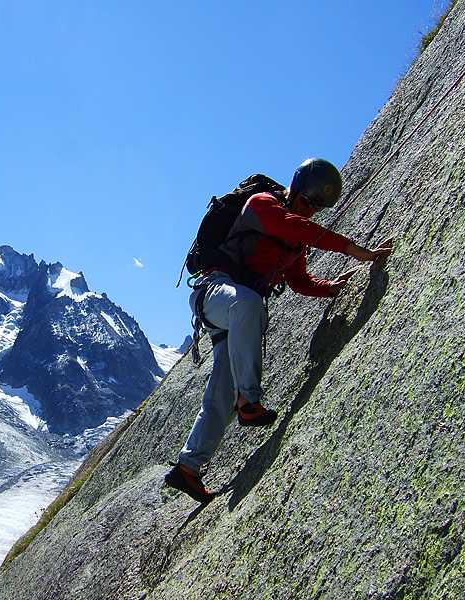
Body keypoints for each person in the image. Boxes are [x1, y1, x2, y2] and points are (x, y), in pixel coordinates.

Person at [165, 158, 393, 503]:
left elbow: (299, 281)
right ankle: (250, 401)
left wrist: (330, 286)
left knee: (220, 393)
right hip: (215, 292)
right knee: (250, 303)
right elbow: (296, 228)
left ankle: (188, 468)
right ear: (295, 189)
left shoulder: (293, 242)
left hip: (237, 312)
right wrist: (355, 251)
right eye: (307, 201)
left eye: (318, 206)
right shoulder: (262, 205)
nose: (310, 210)